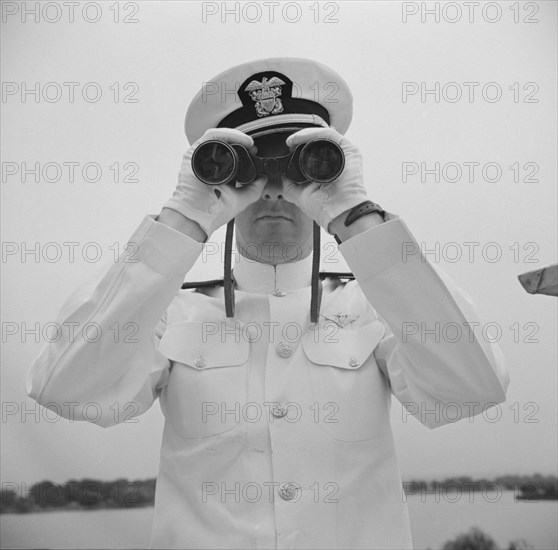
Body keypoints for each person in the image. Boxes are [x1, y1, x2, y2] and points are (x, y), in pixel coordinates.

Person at [27, 58, 509, 550]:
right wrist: (184, 218)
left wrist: (357, 214)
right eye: (249, 173)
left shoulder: (373, 305)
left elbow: (471, 388)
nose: (275, 191)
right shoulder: (174, 311)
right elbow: (66, 389)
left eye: (299, 171)